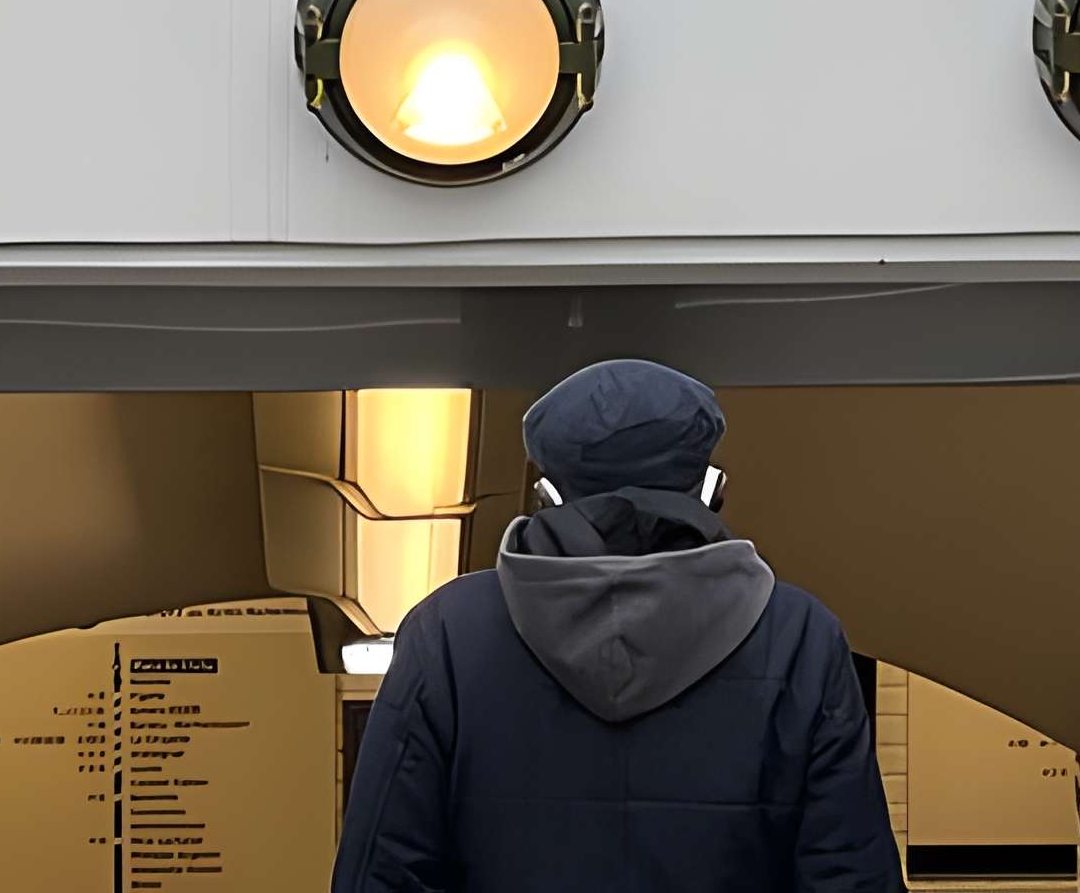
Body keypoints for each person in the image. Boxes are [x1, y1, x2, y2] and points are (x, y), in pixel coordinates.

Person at [331, 360, 900, 893]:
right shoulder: (800, 637)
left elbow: (379, 872)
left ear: (547, 496)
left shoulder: (447, 634)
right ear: (710, 489)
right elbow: (851, 874)